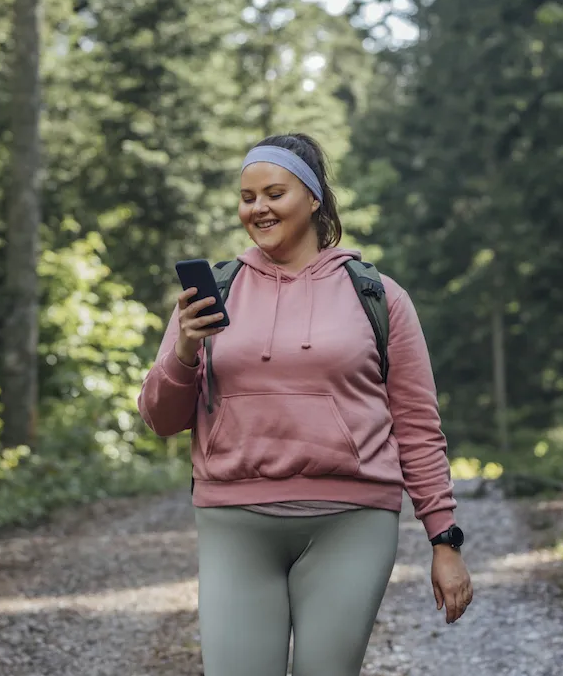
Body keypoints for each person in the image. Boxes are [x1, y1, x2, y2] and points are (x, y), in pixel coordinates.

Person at [137, 132, 473, 676]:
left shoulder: (378, 296)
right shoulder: (214, 292)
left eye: (274, 193)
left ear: (313, 198)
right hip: (234, 521)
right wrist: (184, 349)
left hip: (352, 522)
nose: (258, 208)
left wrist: (444, 538)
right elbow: (161, 418)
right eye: (248, 198)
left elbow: (416, 425)